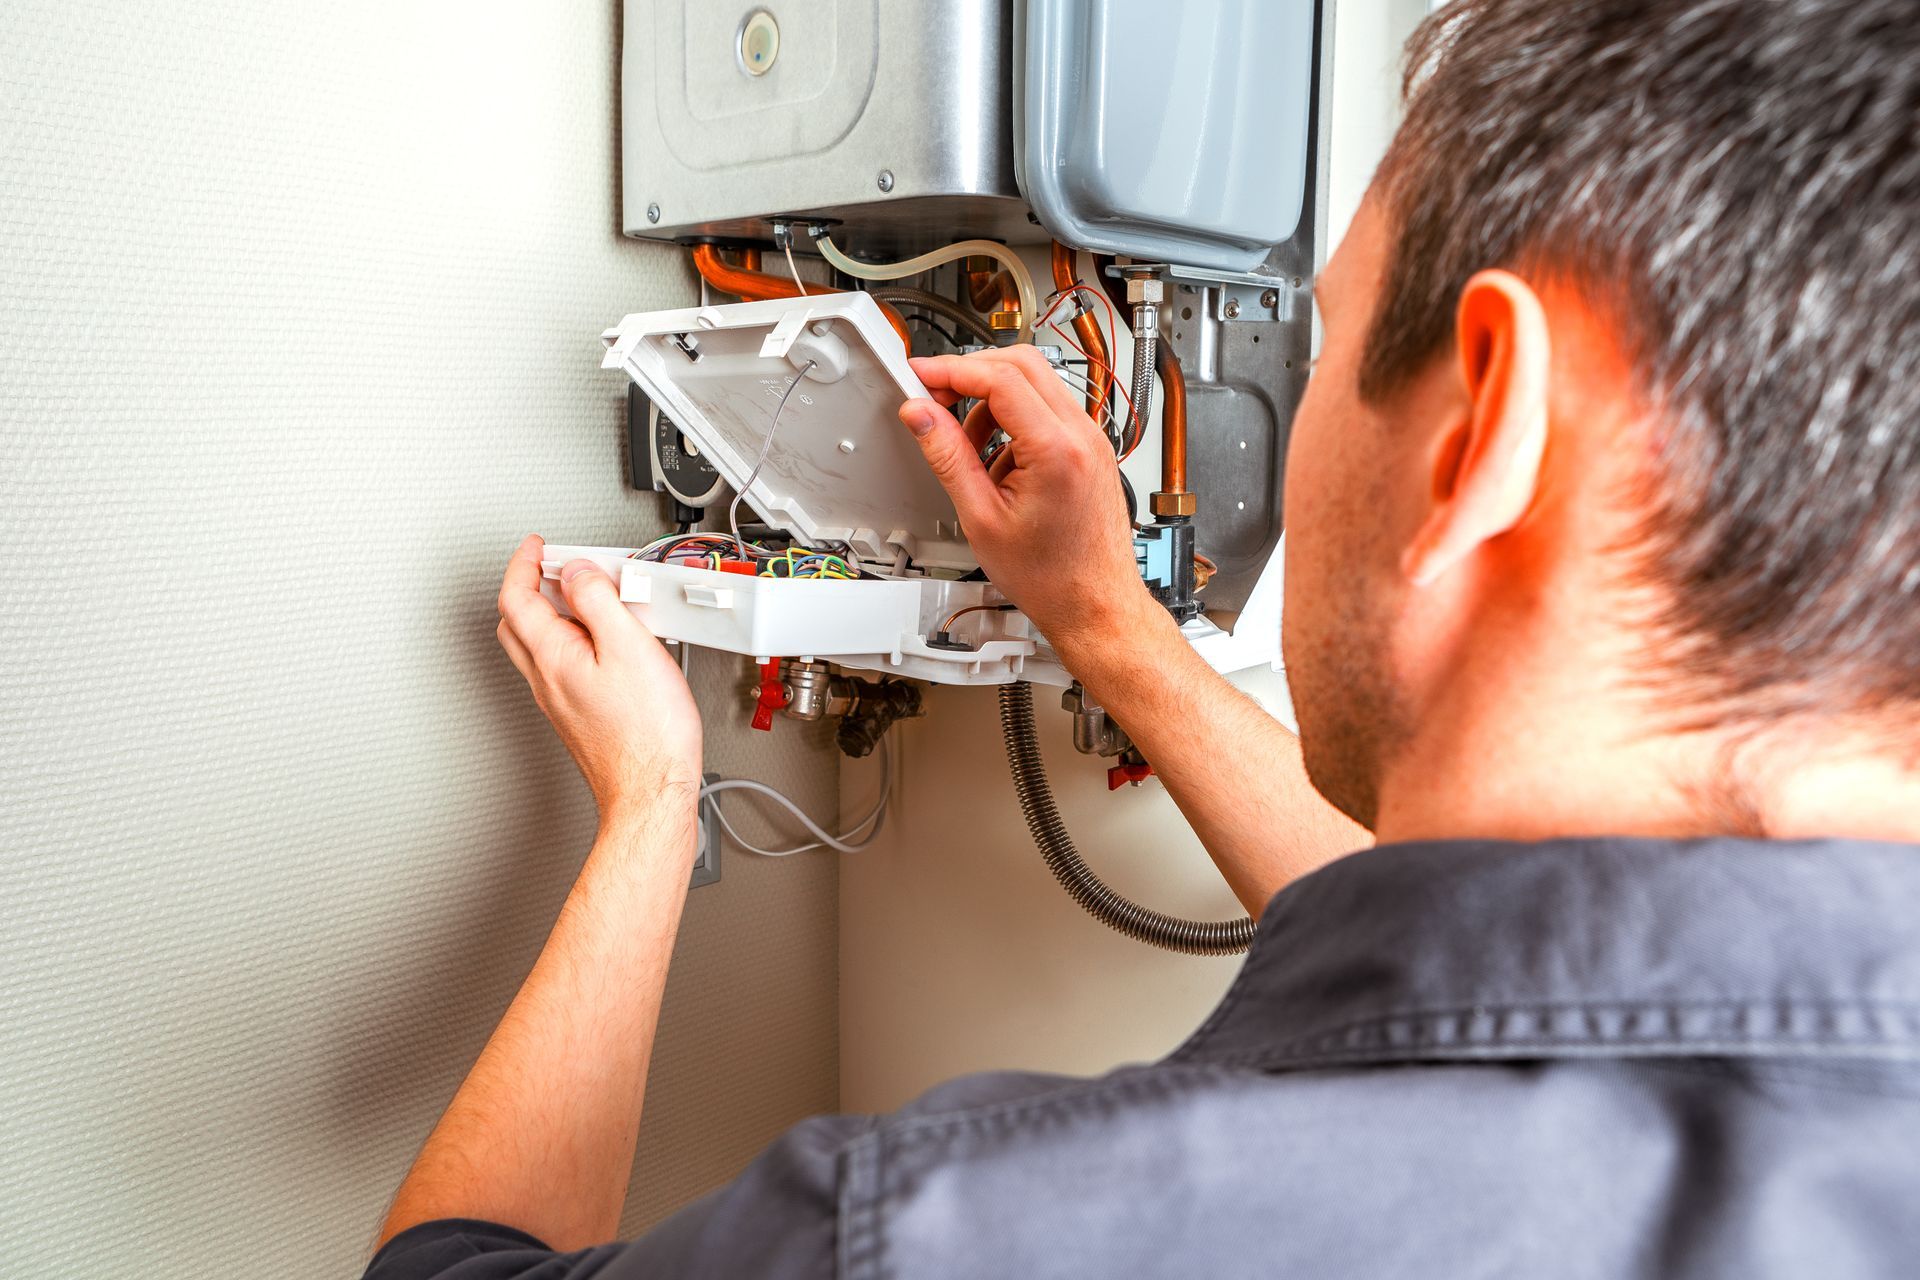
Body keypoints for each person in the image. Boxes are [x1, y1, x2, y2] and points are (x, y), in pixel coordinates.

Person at [363, 1, 1920, 1275]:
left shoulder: (977, 1240)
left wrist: (649, 806)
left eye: (1316, 347)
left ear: (1482, 440)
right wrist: (1103, 615)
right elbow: (1503, 973)